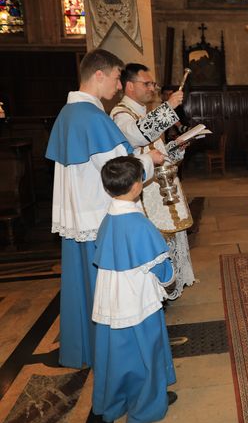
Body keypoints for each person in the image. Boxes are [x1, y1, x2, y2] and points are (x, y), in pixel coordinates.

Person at [45, 49, 163, 369]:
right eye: (115, 77)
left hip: (76, 219)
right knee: (114, 301)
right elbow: (117, 171)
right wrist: (149, 161)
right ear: (99, 74)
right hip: (99, 221)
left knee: (84, 293)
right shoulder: (92, 118)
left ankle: (86, 351)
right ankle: (118, 364)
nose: (117, 84)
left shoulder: (67, 115)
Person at [91, 156, 177, 423]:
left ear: (108, 188)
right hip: (138, 300)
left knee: (119, 355)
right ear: (138, 186)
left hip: (110, 300)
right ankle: (147, 406)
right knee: (146, 351)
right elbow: (162, 270)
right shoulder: (140, 225)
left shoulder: (107, 220)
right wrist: (168, 281)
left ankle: (115, 401)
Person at [112, 64, 195, 300]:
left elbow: (157, 151)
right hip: (144, 191)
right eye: (146, 84)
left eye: (152, 84)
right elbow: (136, 135)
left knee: (171, 238)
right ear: (130, 86)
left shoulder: (144, 112)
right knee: (157, 243)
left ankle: (170, 285)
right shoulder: (121, 114)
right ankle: (159, 289)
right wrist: (169, 107)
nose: (152, 88)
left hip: (161, 186)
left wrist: (176, 147)